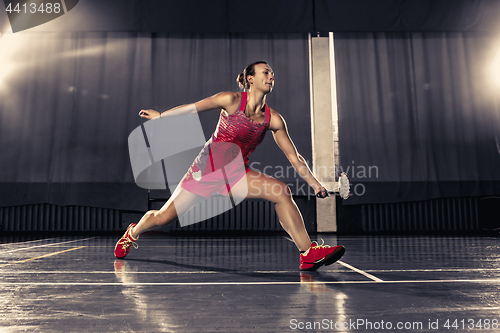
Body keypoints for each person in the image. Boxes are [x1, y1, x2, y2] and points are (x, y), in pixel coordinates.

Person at [115, 61, 345, 271]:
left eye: (272, 74)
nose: (271, 76)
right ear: (250, 79)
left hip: (236, 175)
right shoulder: (230, 100)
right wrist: (162, 117)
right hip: (205, 172)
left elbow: (294, 157)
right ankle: (132, 232)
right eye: (266, 72)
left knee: (281, 191)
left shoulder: (273, 119)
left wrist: (314, 183)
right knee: (163, 217)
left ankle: (308, 253)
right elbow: (193, 108)